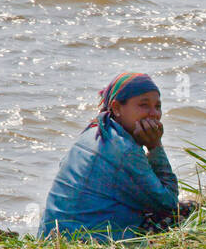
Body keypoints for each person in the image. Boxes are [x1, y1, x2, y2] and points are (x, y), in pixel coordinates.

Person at [38, 71, 188, 240]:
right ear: (117, 108)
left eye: (158, 106)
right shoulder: (124, 149)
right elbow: (168, 202)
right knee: (185, 211)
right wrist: (155, 147)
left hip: (50, 239)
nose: (154, 113)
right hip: (88, 245)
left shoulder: (93, 132)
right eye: (144, 105)